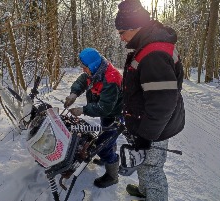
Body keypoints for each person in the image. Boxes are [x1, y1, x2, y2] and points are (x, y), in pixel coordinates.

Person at [115, 0, 185, 200]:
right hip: (147, 122)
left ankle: (153, 194)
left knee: (152, 168)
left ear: (136, 27)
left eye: (122, 32)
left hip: (156, 127)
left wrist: (146, 135)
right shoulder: (147, 44)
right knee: (144, 163)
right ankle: (145, 191)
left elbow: (162, 102)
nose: (121, 38)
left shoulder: (153, 53)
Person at [64, 47, 123, 188]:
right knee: (107, 138)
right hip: (107, 114)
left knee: (103, 146)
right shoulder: (96, 71)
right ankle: (108, 152)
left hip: (115, 115)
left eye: (85, 67)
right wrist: (74, 94)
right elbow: (82, 81)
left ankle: (112, 175)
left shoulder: (111, 78)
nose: (84, 70)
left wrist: (82, 110)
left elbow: (105, 108)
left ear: (93, 65)